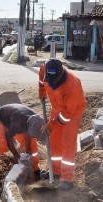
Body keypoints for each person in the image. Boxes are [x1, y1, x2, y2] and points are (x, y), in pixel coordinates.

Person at [38, 58, 87, 191]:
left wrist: (52, 124)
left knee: (68, 143)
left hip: (72, 112)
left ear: (60, 74)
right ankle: (56, 171)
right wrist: (42, 90)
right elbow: (41, 79)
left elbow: (67, 114)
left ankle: (67, 178)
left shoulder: (72, 85)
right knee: (54, 141)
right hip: (57, 109)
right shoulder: (45, 68)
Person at [0, 103, 45, 180]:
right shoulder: (18, 122)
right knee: (2, 144)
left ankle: (36, 170)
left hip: (13, 118)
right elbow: (8, 137)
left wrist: (28, 151)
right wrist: (16, 155)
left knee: (32, 146)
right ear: (27, 124)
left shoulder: (37, 120)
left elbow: (28, 134)